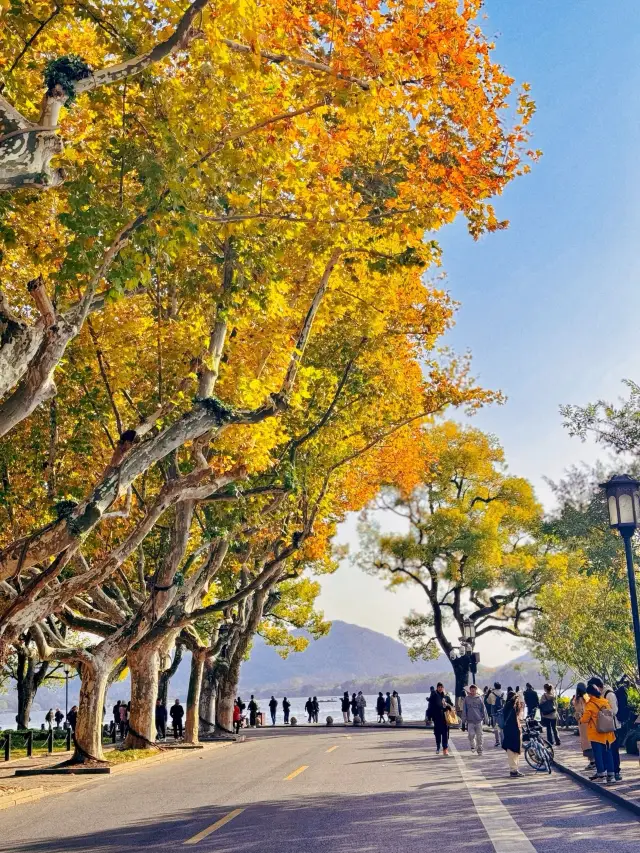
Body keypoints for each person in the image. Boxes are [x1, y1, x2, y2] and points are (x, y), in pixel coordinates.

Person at [581, 683, 616, 784]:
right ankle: (611, 775)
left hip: (596, 734)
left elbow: (585, 719)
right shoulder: (605, 702)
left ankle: (601, 775)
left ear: (590, 694)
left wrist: (581, 715)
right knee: (608, 753)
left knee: (598, 755)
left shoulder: (590, 705)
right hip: (608, 733)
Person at [589, 676, 622, 781]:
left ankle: (616, 772)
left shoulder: (609, 694)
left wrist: (601, 713)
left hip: (612, 726)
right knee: (606, 750)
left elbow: (614, 711)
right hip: (604, 727)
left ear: (598, 686)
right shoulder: (601, 694)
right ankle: (608, 772)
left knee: (613, 750)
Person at [502, 688, 525, 777]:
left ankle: (515, 769)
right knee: (513, 751)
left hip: (510, 730)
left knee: (514, 751)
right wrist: (517, 698)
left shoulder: (507, 706)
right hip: (513, 730)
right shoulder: (510, 705)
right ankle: (513, 770)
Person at [427, 683, 454, 755]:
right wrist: (428, 716)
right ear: (437, 688)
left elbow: (452, 706)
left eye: (441, 687)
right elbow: (430, 706)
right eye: (439, 687)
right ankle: (438, 746)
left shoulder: (446, 697)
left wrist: (447, 705)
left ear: (443, 688)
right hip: (436, 718)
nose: (440, 688)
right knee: (437, 733)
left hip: (445, 718)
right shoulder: (434, 696)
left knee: (445, 733)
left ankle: (445, 749)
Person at [573, 683, 594, 771]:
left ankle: (592, 761)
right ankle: (593, 761)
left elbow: (576, 709)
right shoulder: (587, 697)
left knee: (585, 742)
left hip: (582, 722)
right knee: (590, 741)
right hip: (588, 721)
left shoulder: (576, 699)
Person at [462, 684, 487, 755]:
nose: (473, 692)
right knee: (471, 735)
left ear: (476, 690)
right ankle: (473, 745)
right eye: (471, 690)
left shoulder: (480, 698)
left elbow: (483, 709)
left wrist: (486, 718)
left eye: (474, 690)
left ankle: (480, 749)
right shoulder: (466, 699)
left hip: (479, 720)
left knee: (479, 736)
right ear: (470, 690)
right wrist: (463, 722)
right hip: (470, 721)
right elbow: (464, 710)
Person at [485, 682, 504, 747]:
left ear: (495, 686)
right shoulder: (503, 693)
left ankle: (497, 741)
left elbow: (488, 701)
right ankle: (503, 741)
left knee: (495, 726)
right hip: (501, 711)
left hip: (494, 710)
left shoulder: (491, 693)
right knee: (501, 726)